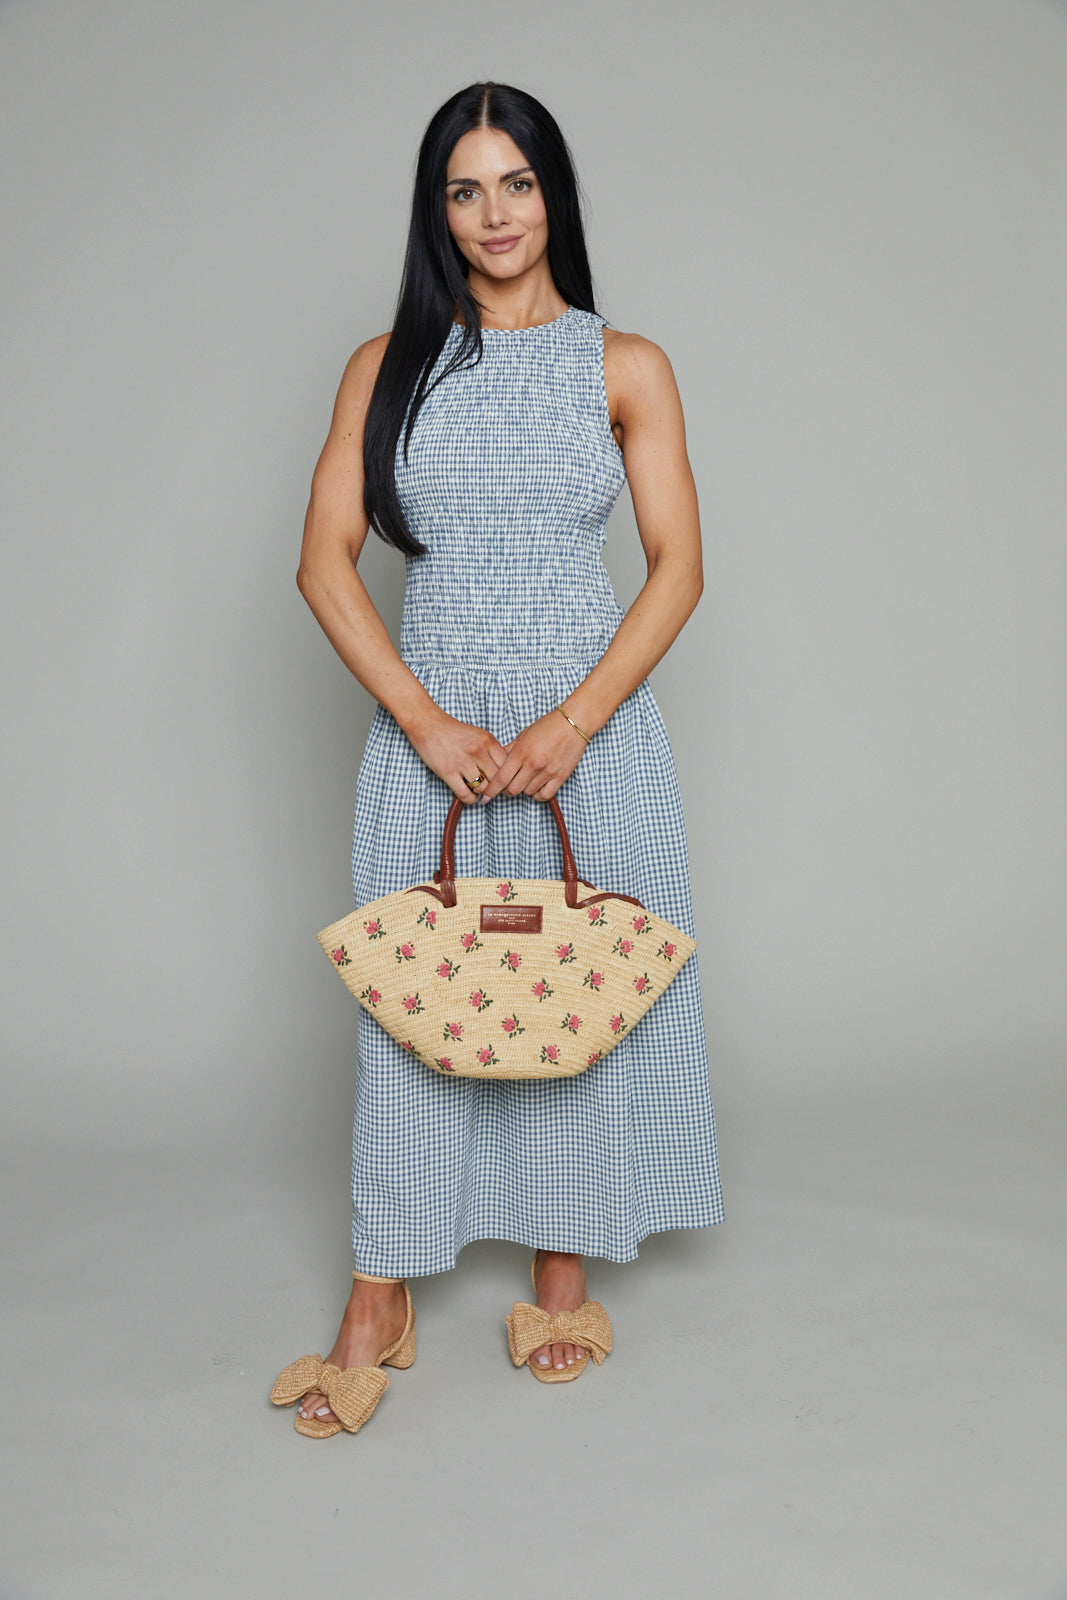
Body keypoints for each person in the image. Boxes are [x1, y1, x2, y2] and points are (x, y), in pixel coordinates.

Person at [270, 81, 724, 1438]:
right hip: (436, 730)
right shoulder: (385, 366)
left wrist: (572, 725)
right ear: (438, 212)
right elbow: (323, 563)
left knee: (572, 986)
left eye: (516, 183)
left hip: (592, 730)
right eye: (464, 190)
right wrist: (423, 721)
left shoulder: (625, 365)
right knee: (412, 1003)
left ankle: (561, 1272)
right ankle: (378, 1296)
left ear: (553, 194)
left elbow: (679, 567)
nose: (495, 214)